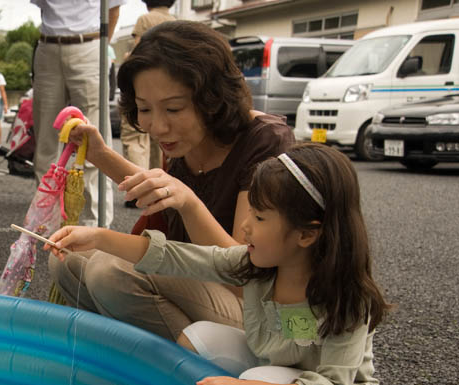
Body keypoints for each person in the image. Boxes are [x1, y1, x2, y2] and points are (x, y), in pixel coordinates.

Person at [48, 142, 389, 385]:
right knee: (199, 339)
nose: (244, 229)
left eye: (259, 217)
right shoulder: (259, 265)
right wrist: (98, 238)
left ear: (307, 234)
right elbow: (179, 257)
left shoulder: (347, 298)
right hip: (275, 365)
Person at [49, 21, 294, 342]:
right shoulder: (187, 135)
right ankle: (124, 360)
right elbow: (162, 194)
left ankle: (189, 372)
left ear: (213, 97)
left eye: (174, 108)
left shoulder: (267, 144)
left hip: (254, 308)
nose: (158, 126)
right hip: (194, 282)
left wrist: (189, 204)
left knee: (111, 275)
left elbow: (244, 272)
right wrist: (99, 154)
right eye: (144, 109)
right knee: (66, 260)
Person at [31, 0, 124, 228]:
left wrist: (100, 46)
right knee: (45, 142)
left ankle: (97, 224)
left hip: (90, 44)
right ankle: (46, 223)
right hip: (48, 47)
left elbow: (113, 10)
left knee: (96, 138)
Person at [121, 0, 175, 208]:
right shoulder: (176, 21)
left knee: (135, 138)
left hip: (145, 87)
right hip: (169, 89)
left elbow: (138, 54)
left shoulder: (146, 19)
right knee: (160, 142)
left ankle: (138, 190)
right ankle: (157, 189)